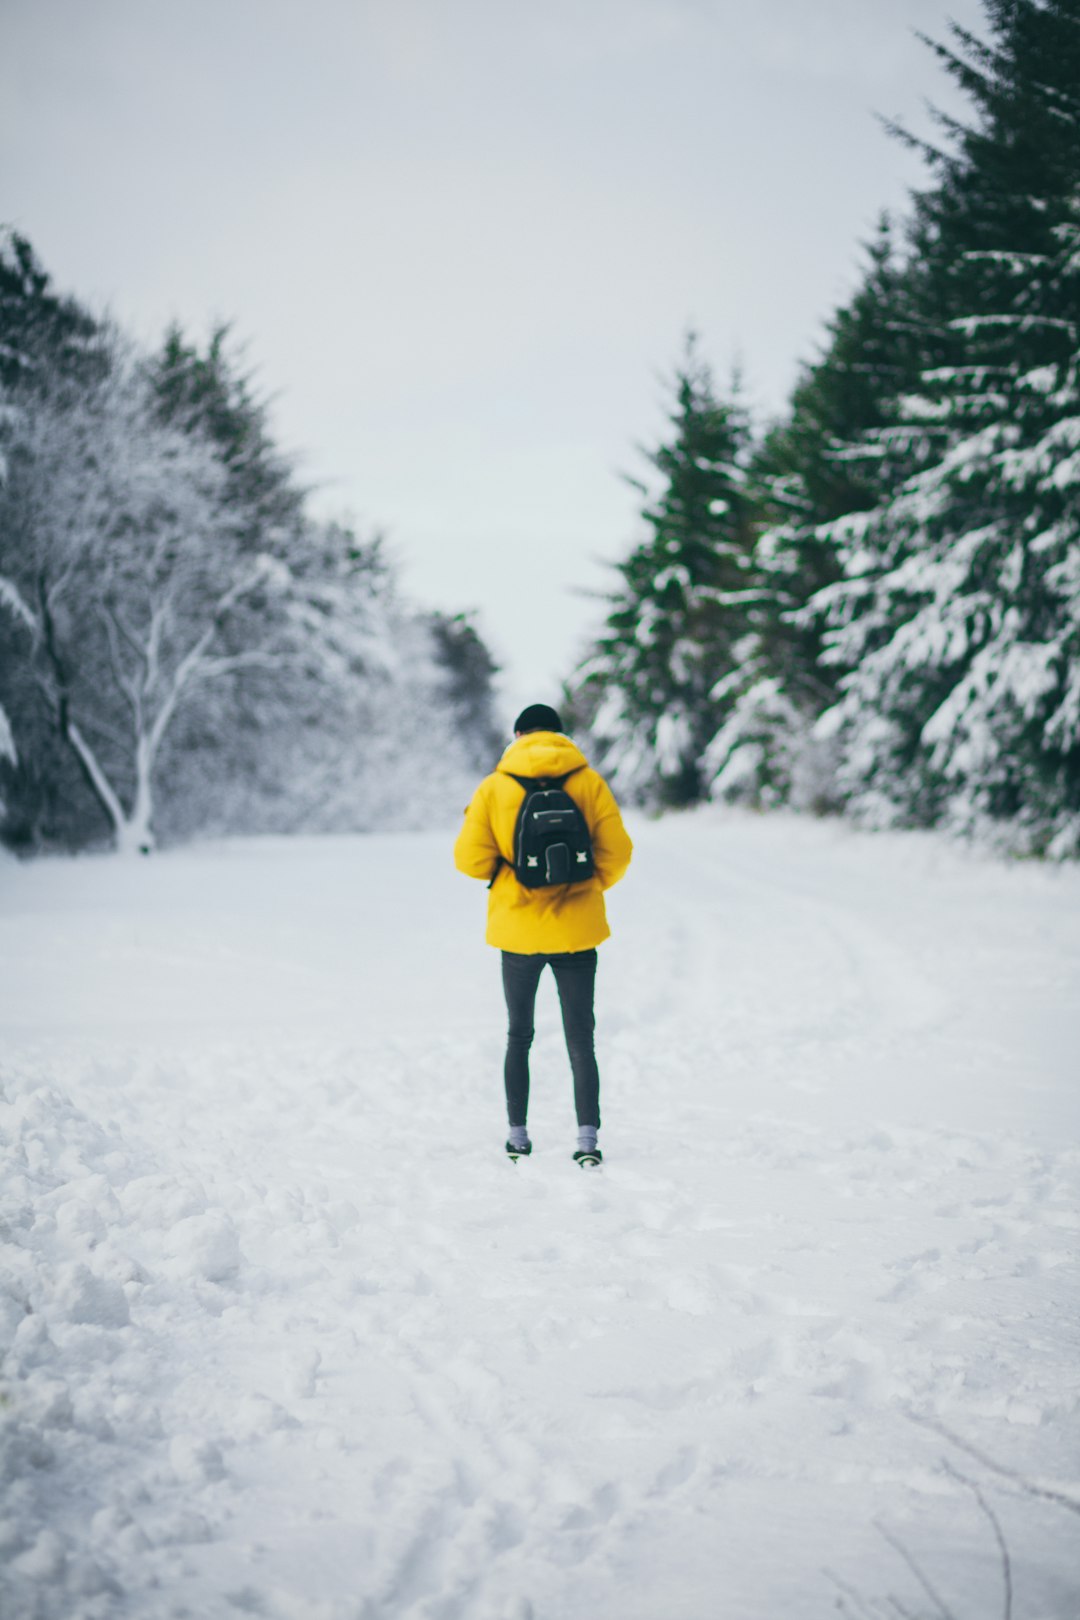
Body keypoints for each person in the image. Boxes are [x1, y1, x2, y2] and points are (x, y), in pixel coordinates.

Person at [453, 703, 633, 1166]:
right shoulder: (588, 782)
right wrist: (584, 886)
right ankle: (587, 1143)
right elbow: (619, 852)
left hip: (517, 932)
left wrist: (511, 877)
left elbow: (469, 861)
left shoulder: (495, 786)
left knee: (519, 1035)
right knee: (581, 1038)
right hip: (578, 932)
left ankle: (518, 1137)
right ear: (559, 736)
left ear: (517, 735)